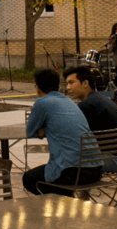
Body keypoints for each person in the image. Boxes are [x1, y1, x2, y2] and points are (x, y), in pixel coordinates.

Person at [23, 68, 100, 196]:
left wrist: (44, 131)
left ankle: (64, 204)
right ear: (58, 86)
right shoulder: (69, 101)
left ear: (37, 88)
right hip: (96, 169)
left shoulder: (42, 102)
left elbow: (30, 131)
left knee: (29, 179)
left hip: (73, 172)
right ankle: (66, 203)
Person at [64, 66, 117, 174]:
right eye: (67, 83)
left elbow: (74, 138)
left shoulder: (87, 105)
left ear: (85, 83)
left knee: (66, 160)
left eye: (71, 82)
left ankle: (81, 188)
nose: (68, 87)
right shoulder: (99, 98)